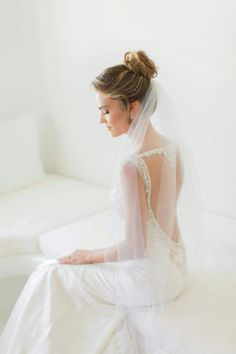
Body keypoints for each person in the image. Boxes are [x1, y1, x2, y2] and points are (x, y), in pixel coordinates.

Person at [0, 50, 205, 353]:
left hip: (148, 282)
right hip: (176, 271)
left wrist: (89, 255)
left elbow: (136, 247)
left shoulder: (132, 166)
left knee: (51, 273)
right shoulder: (172, 149)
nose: (101, 120)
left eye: (106, 111)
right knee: (59, 276)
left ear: (133, 107)